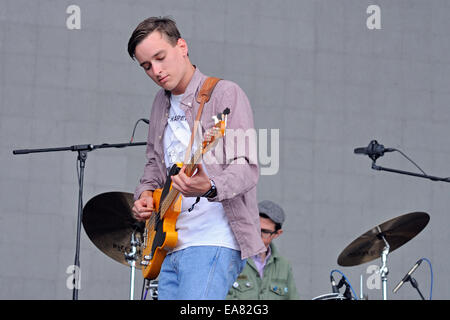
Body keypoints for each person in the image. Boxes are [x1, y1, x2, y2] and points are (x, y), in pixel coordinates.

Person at [128, 16, 265, 300]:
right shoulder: (159, 103)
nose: (156, 70)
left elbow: (247, 167)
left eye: (160, 57)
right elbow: (154, 163)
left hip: (213, 239)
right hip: (169, 243)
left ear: (181, 46)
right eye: (146, 66)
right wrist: (144, 195)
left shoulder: (224, 93)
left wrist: (210, 186)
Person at [227, 200, 300, 300]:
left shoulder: (284, 266)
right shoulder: (230, 259)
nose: (257, 235)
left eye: (264, 232)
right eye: (255, 228)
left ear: (277, 233)